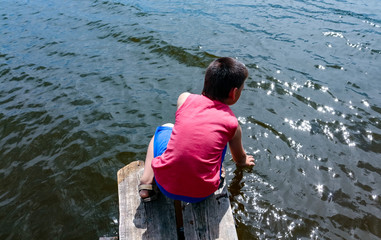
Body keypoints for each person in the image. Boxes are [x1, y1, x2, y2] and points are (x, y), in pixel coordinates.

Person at [138, 57, 255, 203]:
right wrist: (244, 161)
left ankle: (146, 182)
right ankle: (216, 172)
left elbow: (186, 134)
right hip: (202, 193)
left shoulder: (184, 99)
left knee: (164, 129)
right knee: (221, 140)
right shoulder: (232, 124)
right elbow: (239, 159)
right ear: (234, 93)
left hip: (164, 185)